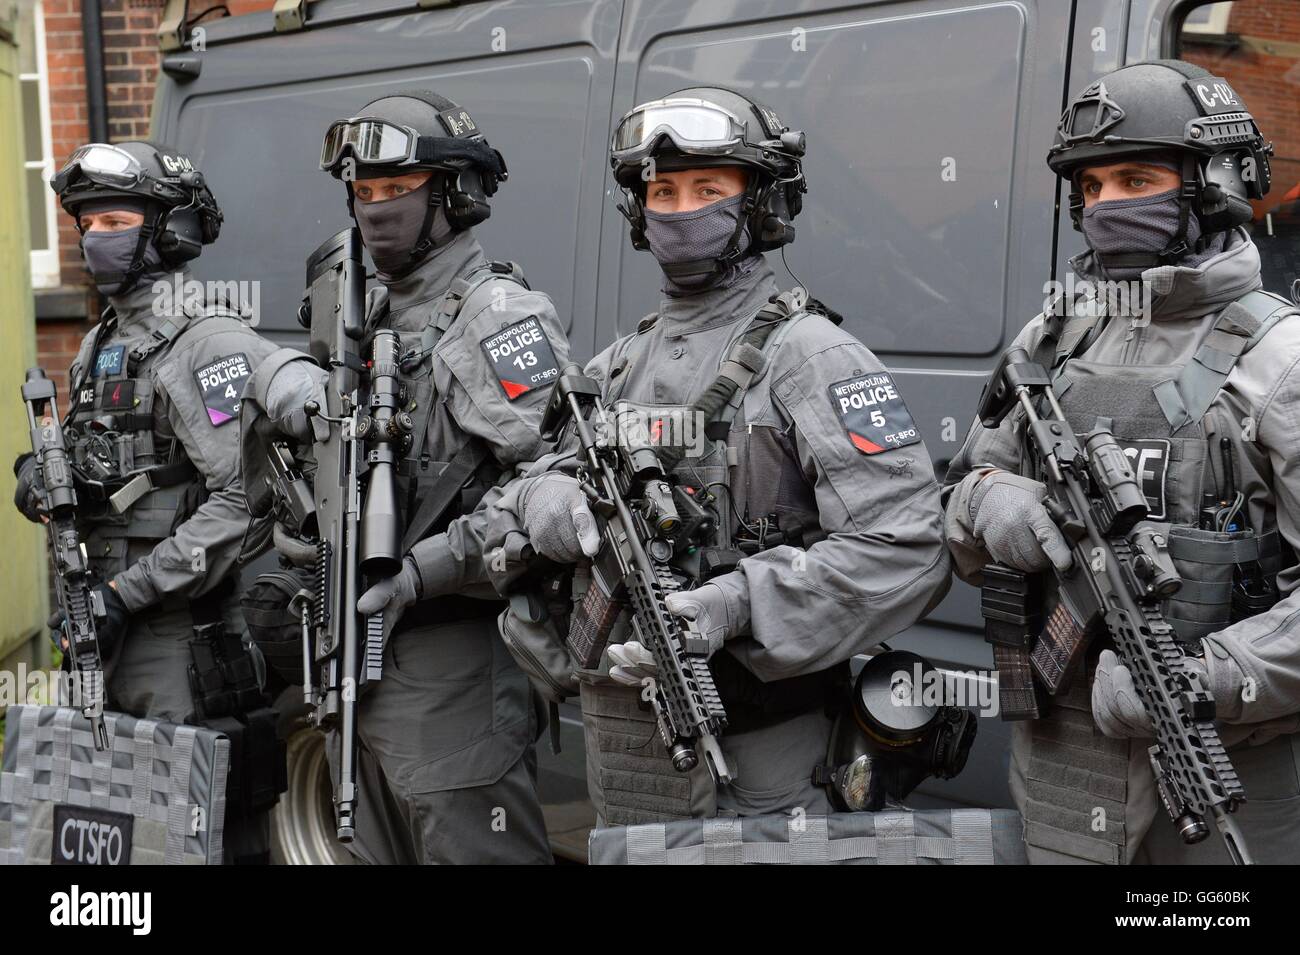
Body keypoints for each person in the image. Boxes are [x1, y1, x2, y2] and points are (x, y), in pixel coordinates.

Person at [477, 87, 950, 824]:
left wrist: (739, 602)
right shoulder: (615, 368)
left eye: (707, 188)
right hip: (626, 765)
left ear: (760, 203)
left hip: (762, 768)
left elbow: (910, 546)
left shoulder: (811, 359)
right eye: (661, 191)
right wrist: (542, 504)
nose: (680, 210)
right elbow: (509, 497)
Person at [943, 60, 1300, 864]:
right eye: (1093, 186)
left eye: (1135, 177)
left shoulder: (1280, 361)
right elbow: (954, 505)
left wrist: (1198, 678)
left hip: (1222, 789)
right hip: (1061, 779)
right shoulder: (1053, 338)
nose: (1107, 206)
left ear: (1213, 184)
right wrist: (987, 504)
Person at [244, 90, 564, 864]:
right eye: (364, 193)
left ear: (455, 194)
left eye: (398, 190)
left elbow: (552, 485)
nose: (375, 210)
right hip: (358, 669)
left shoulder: (496, 317)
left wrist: (427, 568)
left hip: (454, 672)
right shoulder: (366, 312)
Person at [14, 140, 302, 863]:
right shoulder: (99, 348)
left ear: (168, 229)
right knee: (116, 843)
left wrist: (126, 594)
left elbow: (243, 501)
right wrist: (44, 477)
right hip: (105, 642)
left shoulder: (207, 343)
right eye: (86, 223)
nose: (93, 237)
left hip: (182, 644)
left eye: (113, 218)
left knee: (196, 837)